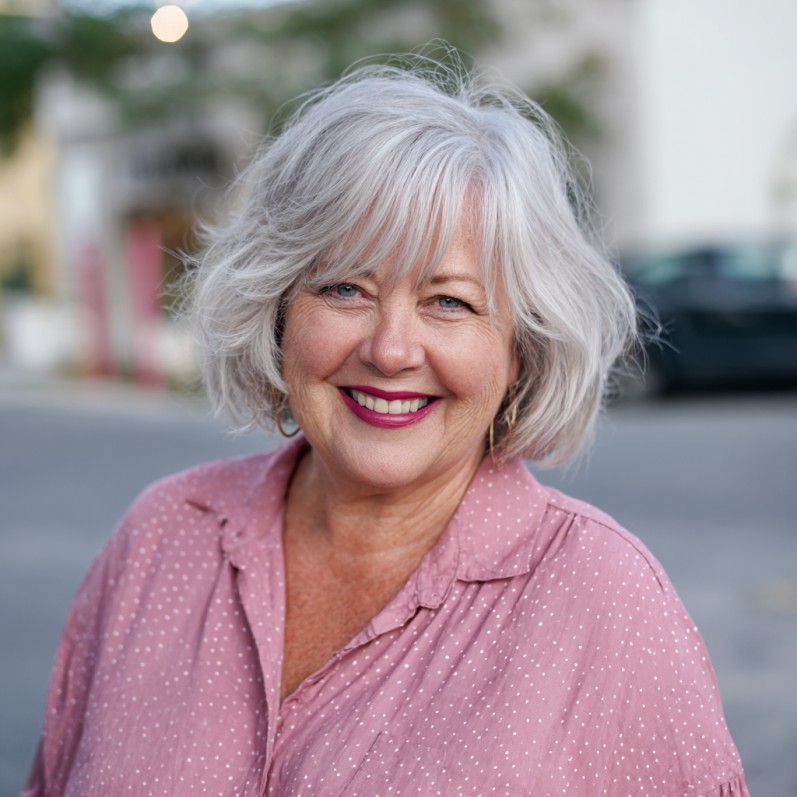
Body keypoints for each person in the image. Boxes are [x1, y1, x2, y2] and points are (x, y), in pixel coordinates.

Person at [23, 55, 747, 796]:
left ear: (520, 350)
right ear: (278, 310)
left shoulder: (607, 602)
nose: (390, 349)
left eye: (449, 302)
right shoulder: (163, 536)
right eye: (346, 288)